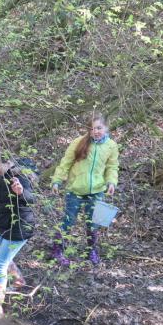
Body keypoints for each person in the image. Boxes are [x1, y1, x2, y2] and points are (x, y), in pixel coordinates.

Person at [51, 112, 119, 266]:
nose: (96, 131)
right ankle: (57, 250)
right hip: (75, 189)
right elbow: (66, 163)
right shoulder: (78, 142)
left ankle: (91, 250)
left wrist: (111, 182)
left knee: (93, 223)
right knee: (68, 221)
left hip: (96, 191)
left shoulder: (111, 146)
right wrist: (57, 180)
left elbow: (112, 167)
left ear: (106, 128)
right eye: (92, 128)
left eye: (99, 128)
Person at [0, 153, 37, 315]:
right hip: (5, 224)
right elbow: (1, 194)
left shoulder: (19, 176)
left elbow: (31, 198)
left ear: (8, 162)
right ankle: (18, 280)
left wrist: (21, 192)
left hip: (19, 227)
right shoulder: (4, 175)